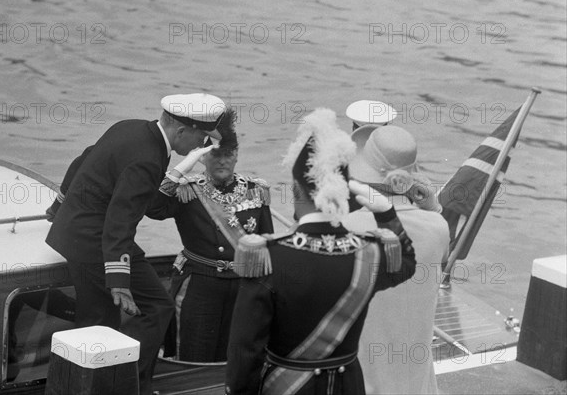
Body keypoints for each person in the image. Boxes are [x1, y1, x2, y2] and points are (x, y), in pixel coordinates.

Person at [225, 108, 416, 395]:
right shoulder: (371, 252)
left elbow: (245, 352)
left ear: (297, 190)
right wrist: (387, 212)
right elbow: (407, 264)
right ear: (344, 191)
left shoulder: (269, 258)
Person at [45, 92, 226, 395]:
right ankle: (126, 384)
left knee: (96, 320)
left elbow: (83, 159)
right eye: (202, 138)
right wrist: (118, 279)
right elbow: (121, 219)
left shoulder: (130, 128)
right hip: (96, 242)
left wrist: (58, 206)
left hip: (75, 234)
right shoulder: (148, 157)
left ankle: (90, 382)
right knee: (156, 306)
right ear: (181, 131)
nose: (203, 147)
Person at [146, 108, 273, 362]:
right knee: (193, 357)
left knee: (234, 359)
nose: (223, 162)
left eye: (229, 155)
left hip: (241, 286)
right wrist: (182, 167)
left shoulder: (256, 191)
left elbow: (266, 246)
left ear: (236, 156)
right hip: (199, 287)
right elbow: (153, 208)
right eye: (215, 156)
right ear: (203, 158)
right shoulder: (188, 191)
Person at [346, 124, 450, 395]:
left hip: (364, 382)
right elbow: (444, 255)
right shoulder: (438, 227)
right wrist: (434, 207)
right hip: (418, 384)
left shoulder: (348, 227)